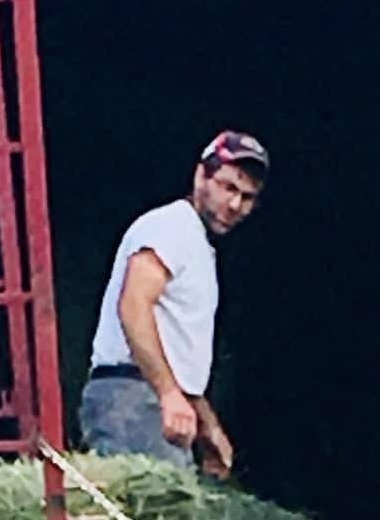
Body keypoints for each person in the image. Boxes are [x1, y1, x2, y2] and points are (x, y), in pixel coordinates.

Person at [81, 131, 268, 476]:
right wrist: (168, 393)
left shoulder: (196, 244)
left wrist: (208, 425)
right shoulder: (172, 227)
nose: (234, 205)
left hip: (149, 399)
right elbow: (133, 304)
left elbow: (178, 352)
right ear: (201, 175)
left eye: (247, 197)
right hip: (133, 397)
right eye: (227, 187)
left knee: (172, 502)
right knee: (157, 504)